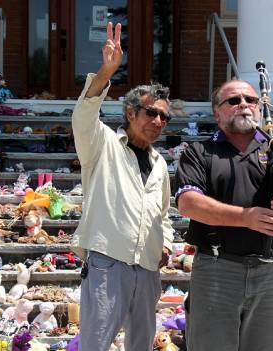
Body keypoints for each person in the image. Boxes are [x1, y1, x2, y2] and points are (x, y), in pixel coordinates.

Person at [175, 79, 273, 351]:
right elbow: (188, 204)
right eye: (234, 100)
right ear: (217, 112)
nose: (244, 105)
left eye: (250, 100)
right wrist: (245, 217)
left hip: (270, 272)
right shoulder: (201, 153)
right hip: (218, 271)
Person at [70, 22, 174, 351]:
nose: (158, 121)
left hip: (147, 267)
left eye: (164, 117)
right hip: (108, 263)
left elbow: (164, 213)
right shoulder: (102, 144)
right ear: (130, 112)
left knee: (141, 345)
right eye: (151, 113)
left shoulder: (159, 163)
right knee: (96, 344)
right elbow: (84, 113)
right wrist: (106, 71)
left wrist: (167, 245)